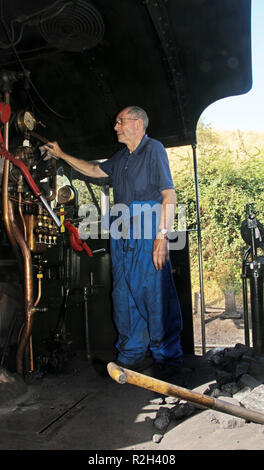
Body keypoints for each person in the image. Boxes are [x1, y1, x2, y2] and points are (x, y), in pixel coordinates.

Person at [44, 106, 182, 377]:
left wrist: (162, 236)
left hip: (146, 229)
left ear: (138, 124)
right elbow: (94, 170)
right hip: (121, 232)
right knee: (125, 296)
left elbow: (169, 195)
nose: (116, 127)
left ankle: (168, 360)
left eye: (120, 122)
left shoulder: (153, 149)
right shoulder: (120, 158)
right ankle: (132, 355)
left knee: (154, 295)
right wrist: (61, 155)